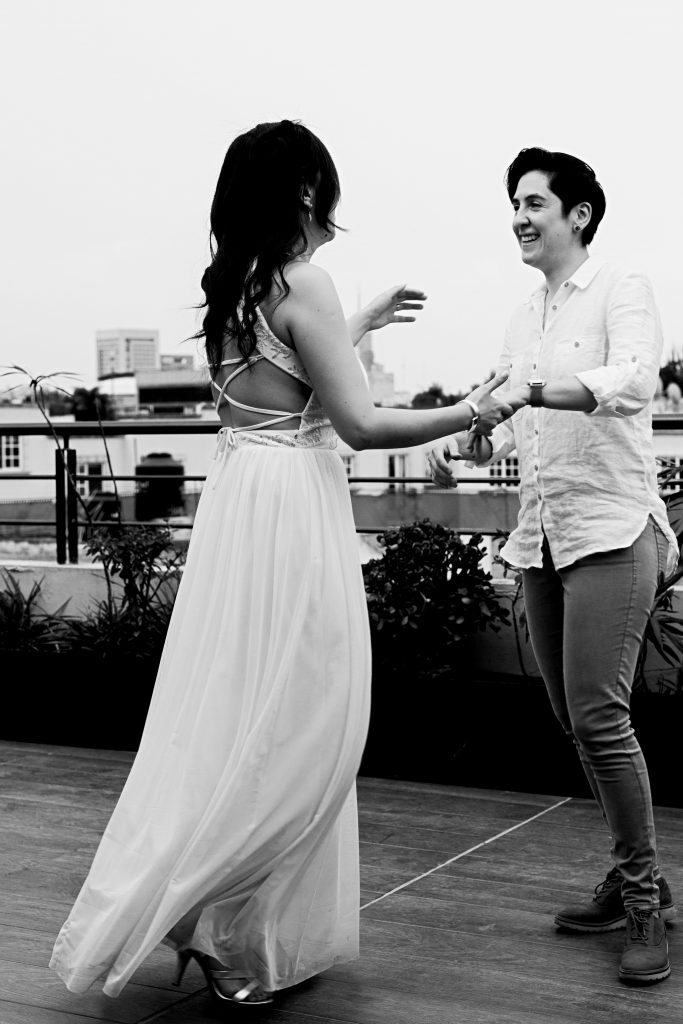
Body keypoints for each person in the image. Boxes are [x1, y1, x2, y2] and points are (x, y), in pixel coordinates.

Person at [50, 120, 518, 1009]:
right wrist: (471, 408)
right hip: (291, 511)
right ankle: (209, 917)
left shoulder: (240, 285)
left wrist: (361, 320)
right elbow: (362, 425)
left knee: (234, 710)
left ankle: (210, 913)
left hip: (238, 505)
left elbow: (285, 375)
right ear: (306, 190)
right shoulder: (306, 281)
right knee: (313, 720)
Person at [428, 147, 679, 986]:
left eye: (534, 202)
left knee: (601, 720)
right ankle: (631, 871)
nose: (519, 217)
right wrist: (471, 436)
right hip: (541, 536)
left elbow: (635, 381)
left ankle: (643, 898)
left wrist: (535, 390)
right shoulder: (519, 318)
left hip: (611, 529)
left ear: (577, 213)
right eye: (513, 204)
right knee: (574, 720)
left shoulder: (621, 287)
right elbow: (506, 419)